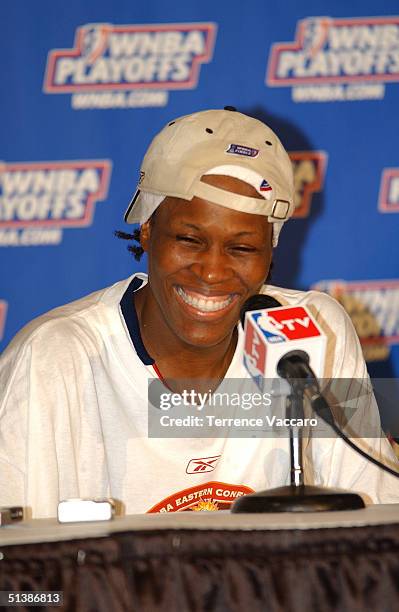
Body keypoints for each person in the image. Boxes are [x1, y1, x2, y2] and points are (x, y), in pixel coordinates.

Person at [0, 108, 398, 518]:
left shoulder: (314, 332)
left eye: (242, 248)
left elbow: (373, 528)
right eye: (189, 240)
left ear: (270, 250)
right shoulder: (55, 357)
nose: (212, 271)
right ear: (147, 230)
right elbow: (19, 575)